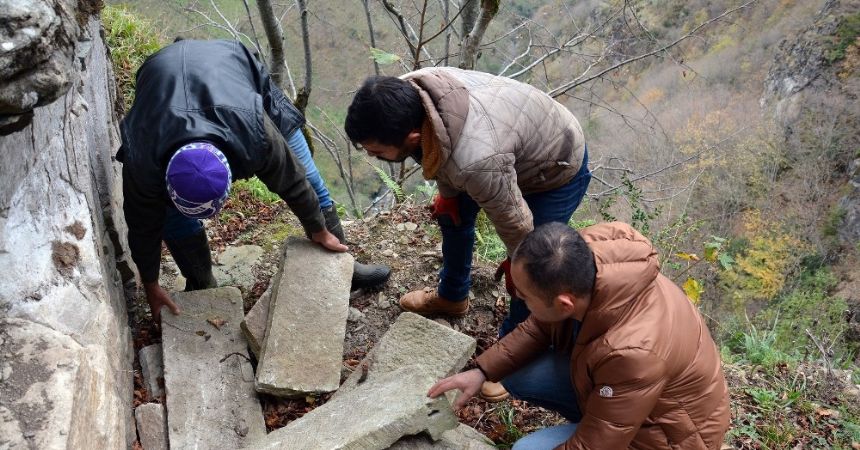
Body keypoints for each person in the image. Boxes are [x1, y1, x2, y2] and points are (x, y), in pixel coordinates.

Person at [345, 67, 591, 400]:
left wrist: (518, 264)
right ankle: (452, 296)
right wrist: (448, 195)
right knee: (453, 214)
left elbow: (517, 224)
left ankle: (513, 360)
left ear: (412, 137)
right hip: (505, 139)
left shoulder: (476, 161)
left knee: (534, 272)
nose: (372, 157)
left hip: (555, 163)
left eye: (376, 151)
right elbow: (440, 148)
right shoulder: (406, 94)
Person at [118, 39, 390, 322]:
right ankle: (202, 284)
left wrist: (318, 228)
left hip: (234, 72)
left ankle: (342, 264)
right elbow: (142, 225)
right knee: (170, 215)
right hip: (161, 78)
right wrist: (151, 284)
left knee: (308, 175)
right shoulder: (142, 158)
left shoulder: (254, 131)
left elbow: (294, 181)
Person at [427, 222, 730, 449]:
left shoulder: (632, 353)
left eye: (525, 297)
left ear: (565, 304)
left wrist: (597, 427)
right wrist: (482, 371)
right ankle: (594, 414)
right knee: (515, 374)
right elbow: (541, 324)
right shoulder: (584, 255)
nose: (518, 298)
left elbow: (596, 446)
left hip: (669, 436)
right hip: (627, 399)